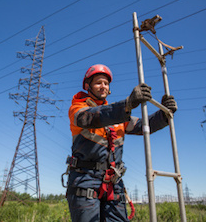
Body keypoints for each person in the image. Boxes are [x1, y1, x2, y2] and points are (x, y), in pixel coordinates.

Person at [66, 64, 177, 222]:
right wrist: (127, 104)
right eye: (98, 82)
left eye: (106, 83)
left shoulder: (118, 118)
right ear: (87, 86)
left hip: (113, 181)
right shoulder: (78, 108)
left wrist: (164, 114)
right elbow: (89, 118)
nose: (103, 86)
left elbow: (143, 125)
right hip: (85, 179)